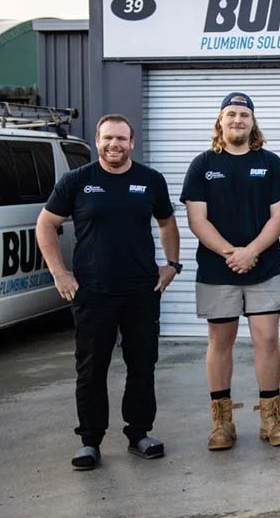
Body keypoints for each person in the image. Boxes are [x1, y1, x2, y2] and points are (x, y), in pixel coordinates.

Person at [36, 114, 181, 471]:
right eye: (107, 139)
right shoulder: (77, 181)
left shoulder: (150, 180)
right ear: (97, 141)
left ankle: (139, 433)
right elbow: (46, 224)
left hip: (141, 290)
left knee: (142, 364)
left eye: (121, 139)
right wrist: (60, 274)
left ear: (132, 143)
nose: (114, 145)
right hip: (93, 291)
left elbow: (167, 222)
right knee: (91, 368)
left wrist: (172, 264)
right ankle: (90, 441)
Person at [180, 92, 280, 450]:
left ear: (252, 122)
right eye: (231, 114)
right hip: (218, 269)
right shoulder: (202, 165)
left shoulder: (271, 163)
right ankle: (222, 423)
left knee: (268, 339)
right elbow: (197, 219)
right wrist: (233, 254)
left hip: (264, 266)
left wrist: (251, 252)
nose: (237, 120)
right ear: (220, 120)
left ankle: (270, 418)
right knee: (220, 342)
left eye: (244, 115)